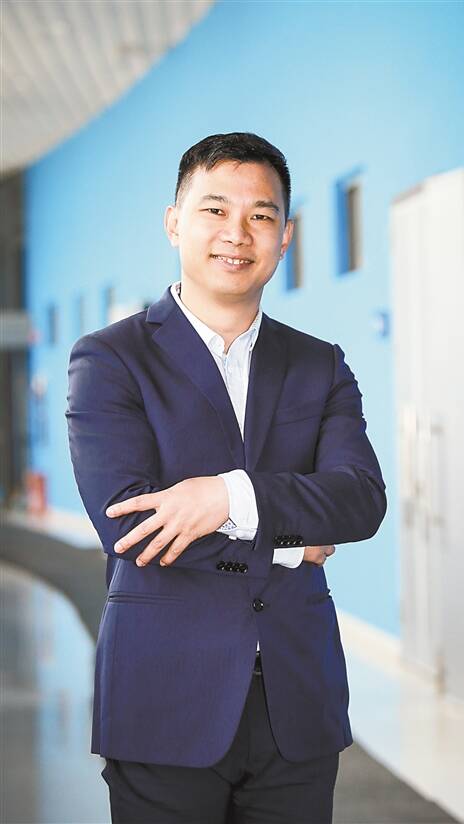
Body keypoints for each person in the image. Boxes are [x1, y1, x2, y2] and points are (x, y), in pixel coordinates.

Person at [65, 132, 387, 824]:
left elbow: (360, 499)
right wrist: (290, 545)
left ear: (285, 235)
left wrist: (227, 496)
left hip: (297, 700)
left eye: (261, 215)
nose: (237, 234)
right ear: (174, 222)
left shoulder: (320, 364)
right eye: (214, 210)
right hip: (164, 694)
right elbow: (132, 526)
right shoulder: (110, 360)